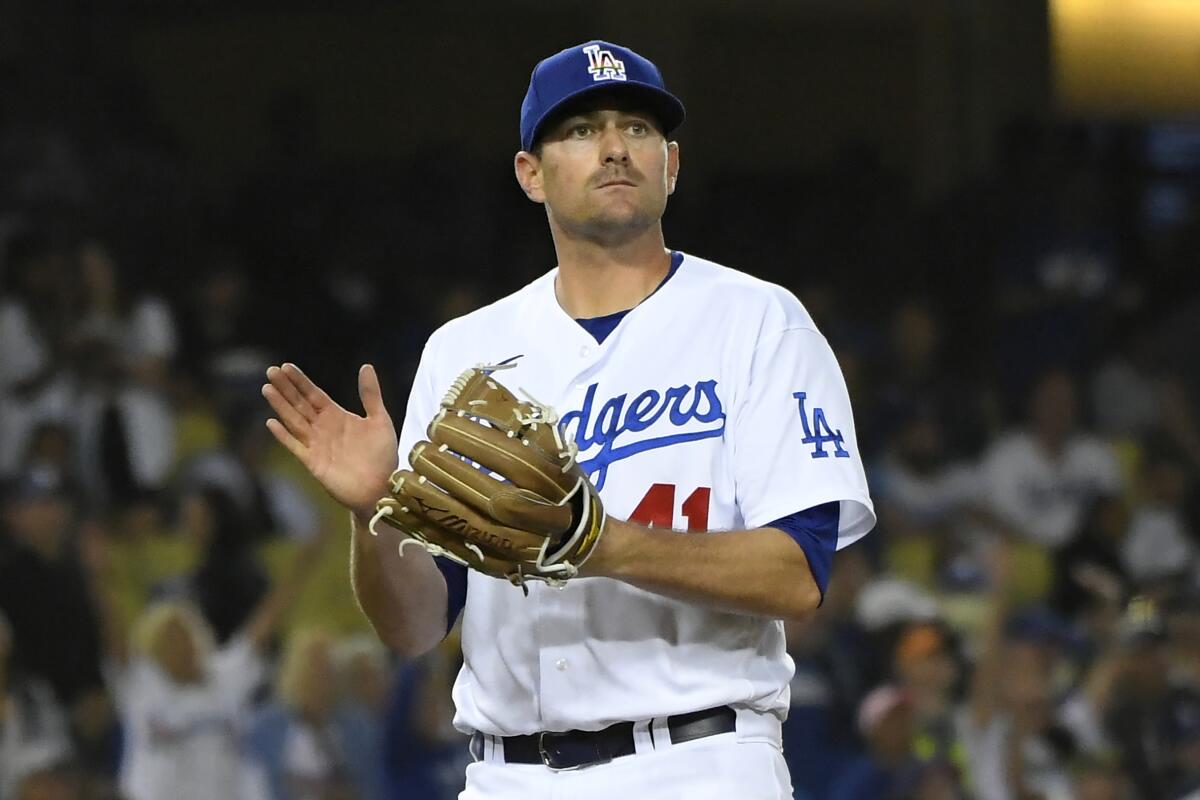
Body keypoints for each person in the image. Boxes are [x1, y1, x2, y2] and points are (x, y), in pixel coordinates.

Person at [262, 40, 875, 799]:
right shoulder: (464, 351)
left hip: (700, 760)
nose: (616, 147)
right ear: (530, 173)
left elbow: (799, 575)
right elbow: (417, 626)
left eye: (638, 129)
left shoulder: (758, 321)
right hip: (508, 774)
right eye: (581, 130)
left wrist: (603, 543)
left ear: (672, 164)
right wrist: (371, 519)